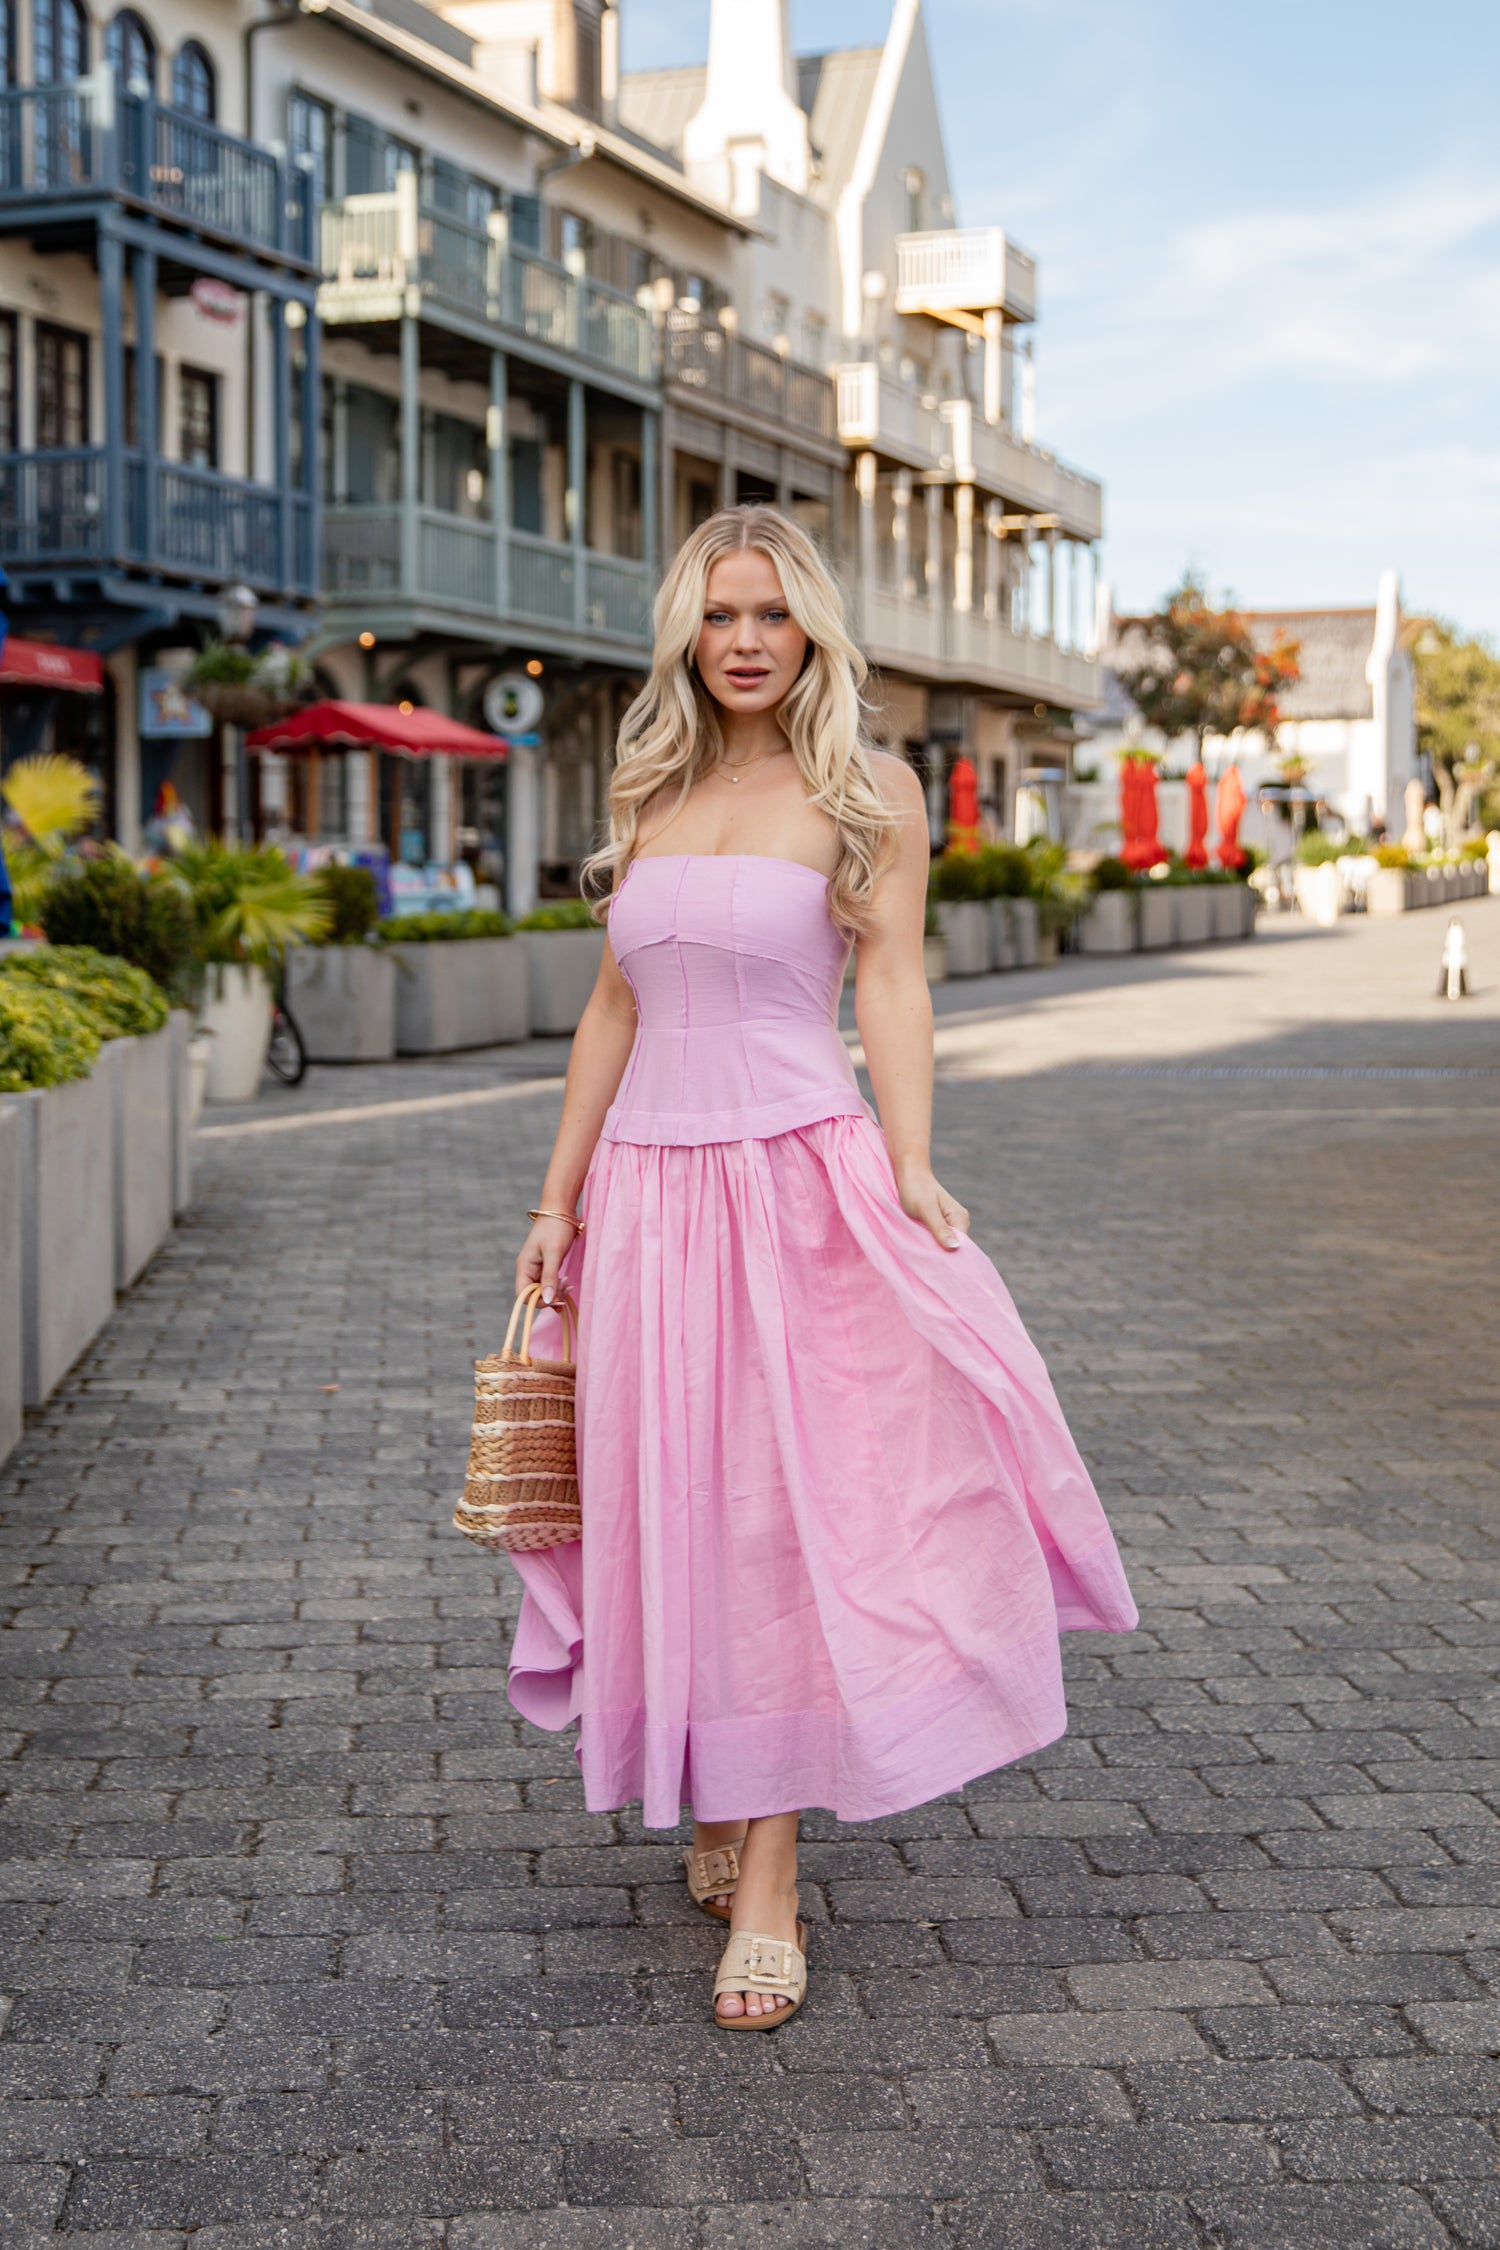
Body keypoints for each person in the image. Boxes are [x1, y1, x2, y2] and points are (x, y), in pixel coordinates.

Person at [507, 508, 1137, 2031]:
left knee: (780, 1510)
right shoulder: (652, 785)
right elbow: (611, 1010)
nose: (743, 639)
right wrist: (552, 1203)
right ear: (687, 629)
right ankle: (718, 1789)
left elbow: (896, 979)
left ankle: (774, 1879)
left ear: (810, 634)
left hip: (796, 1174)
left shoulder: (872, 790)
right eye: (720, 614)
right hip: (647, 1194)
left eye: (771, 616)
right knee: (673, 1498)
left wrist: (911, 1158)